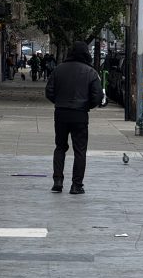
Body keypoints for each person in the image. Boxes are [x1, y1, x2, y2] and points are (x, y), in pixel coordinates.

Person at [45, 41, 105, 195]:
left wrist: (59, 102)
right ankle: (76, 185)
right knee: (80, 150)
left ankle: (58, 180)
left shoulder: (58, 70)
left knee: (60, 147)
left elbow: (49, 92)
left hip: (61, 113)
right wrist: (86, 106)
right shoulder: (91, 72)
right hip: (80, 114)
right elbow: (97, 96)